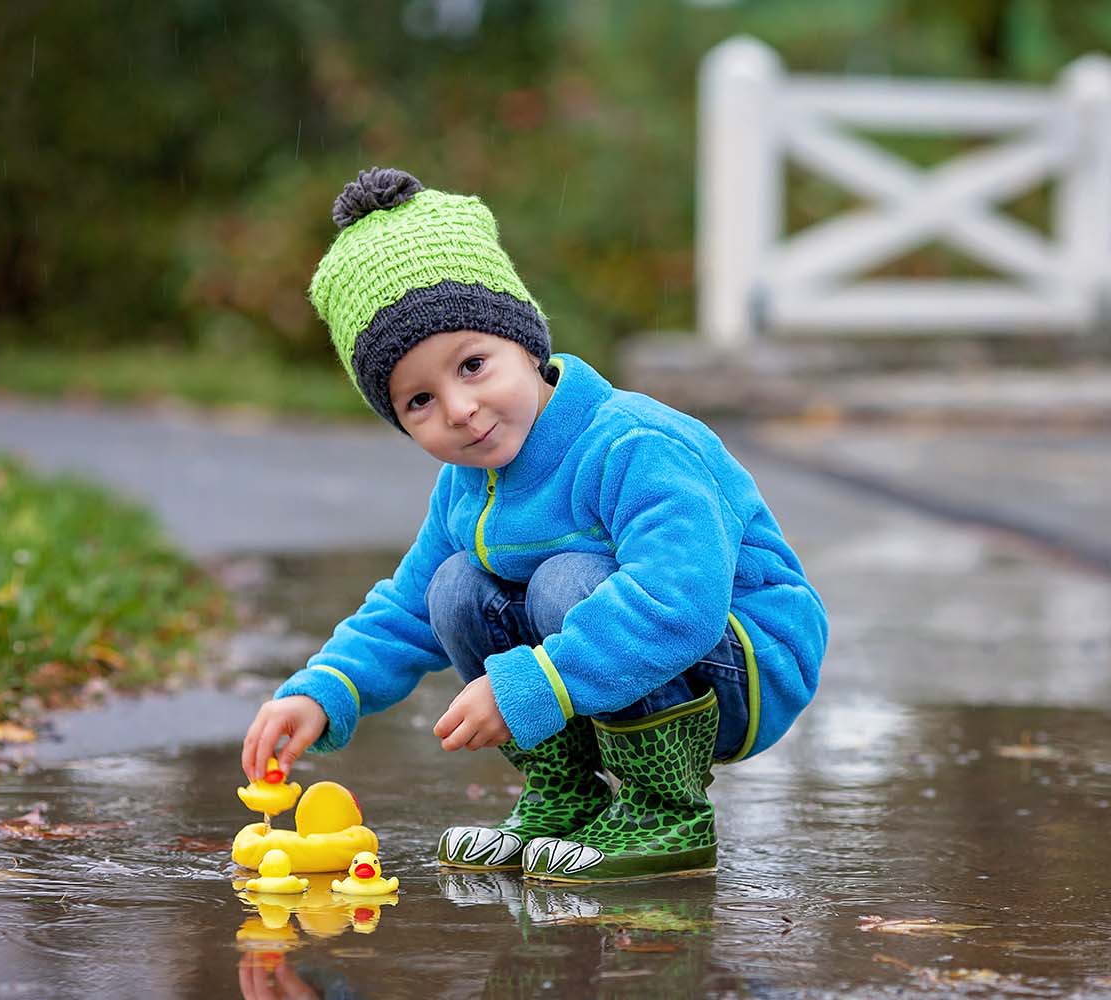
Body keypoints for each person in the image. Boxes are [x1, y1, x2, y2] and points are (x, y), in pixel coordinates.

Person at [241, 167, 827, 882]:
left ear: (526, 342)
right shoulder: (467, 486)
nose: (460, 410)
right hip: (606, 664)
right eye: (419, 401)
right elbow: (408, 606)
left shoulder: (631, 443)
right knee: (455, 586)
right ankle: (566, 794)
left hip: (743, 660)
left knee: (564, 580)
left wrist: (533, 684)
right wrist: (323, 688)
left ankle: (665, 809)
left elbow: (681, 598)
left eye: (473, 365)